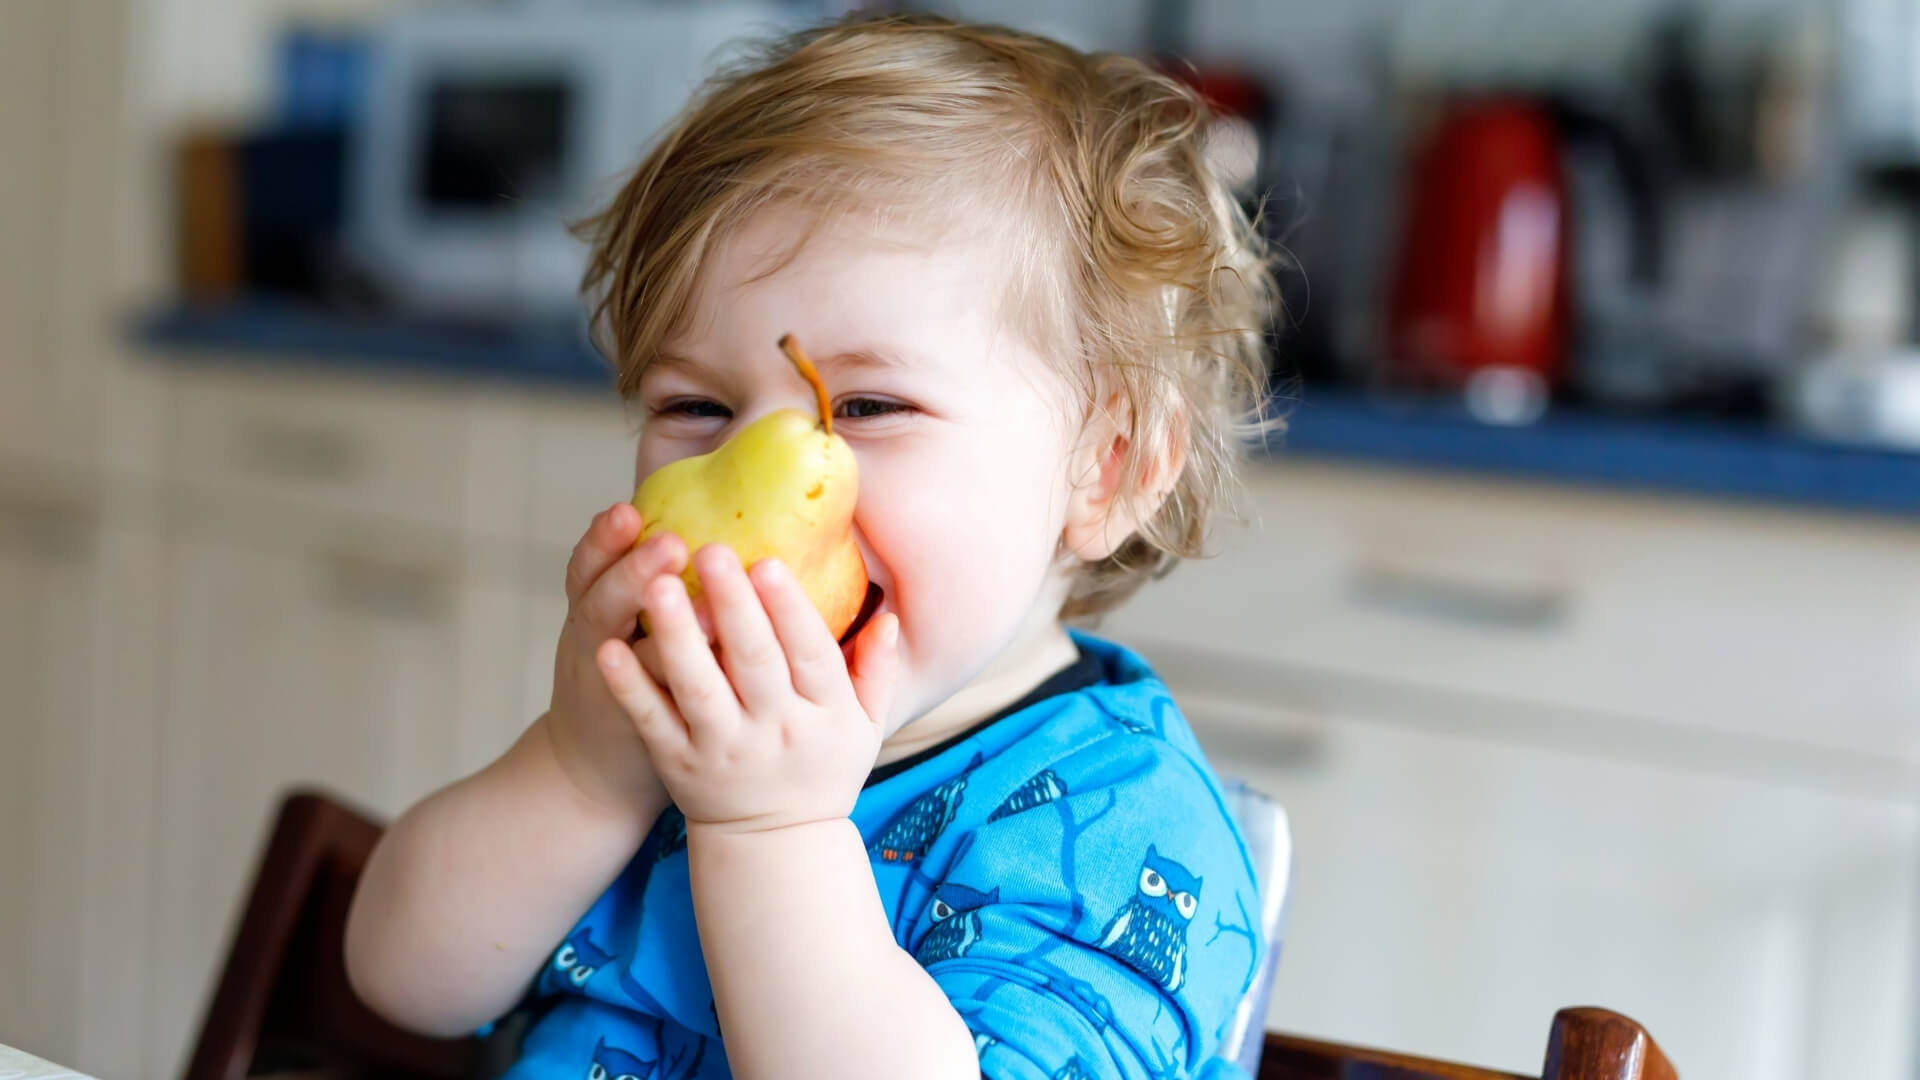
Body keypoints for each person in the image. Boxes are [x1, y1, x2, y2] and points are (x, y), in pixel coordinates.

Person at [344, 14, 1279, 1080]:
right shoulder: (670, 729)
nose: (767, 466)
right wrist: (577, 767)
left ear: (1105, 470)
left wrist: (772, 835)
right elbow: (401, 978)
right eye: (695, 405)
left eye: (868, 404)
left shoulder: (1121, 829)